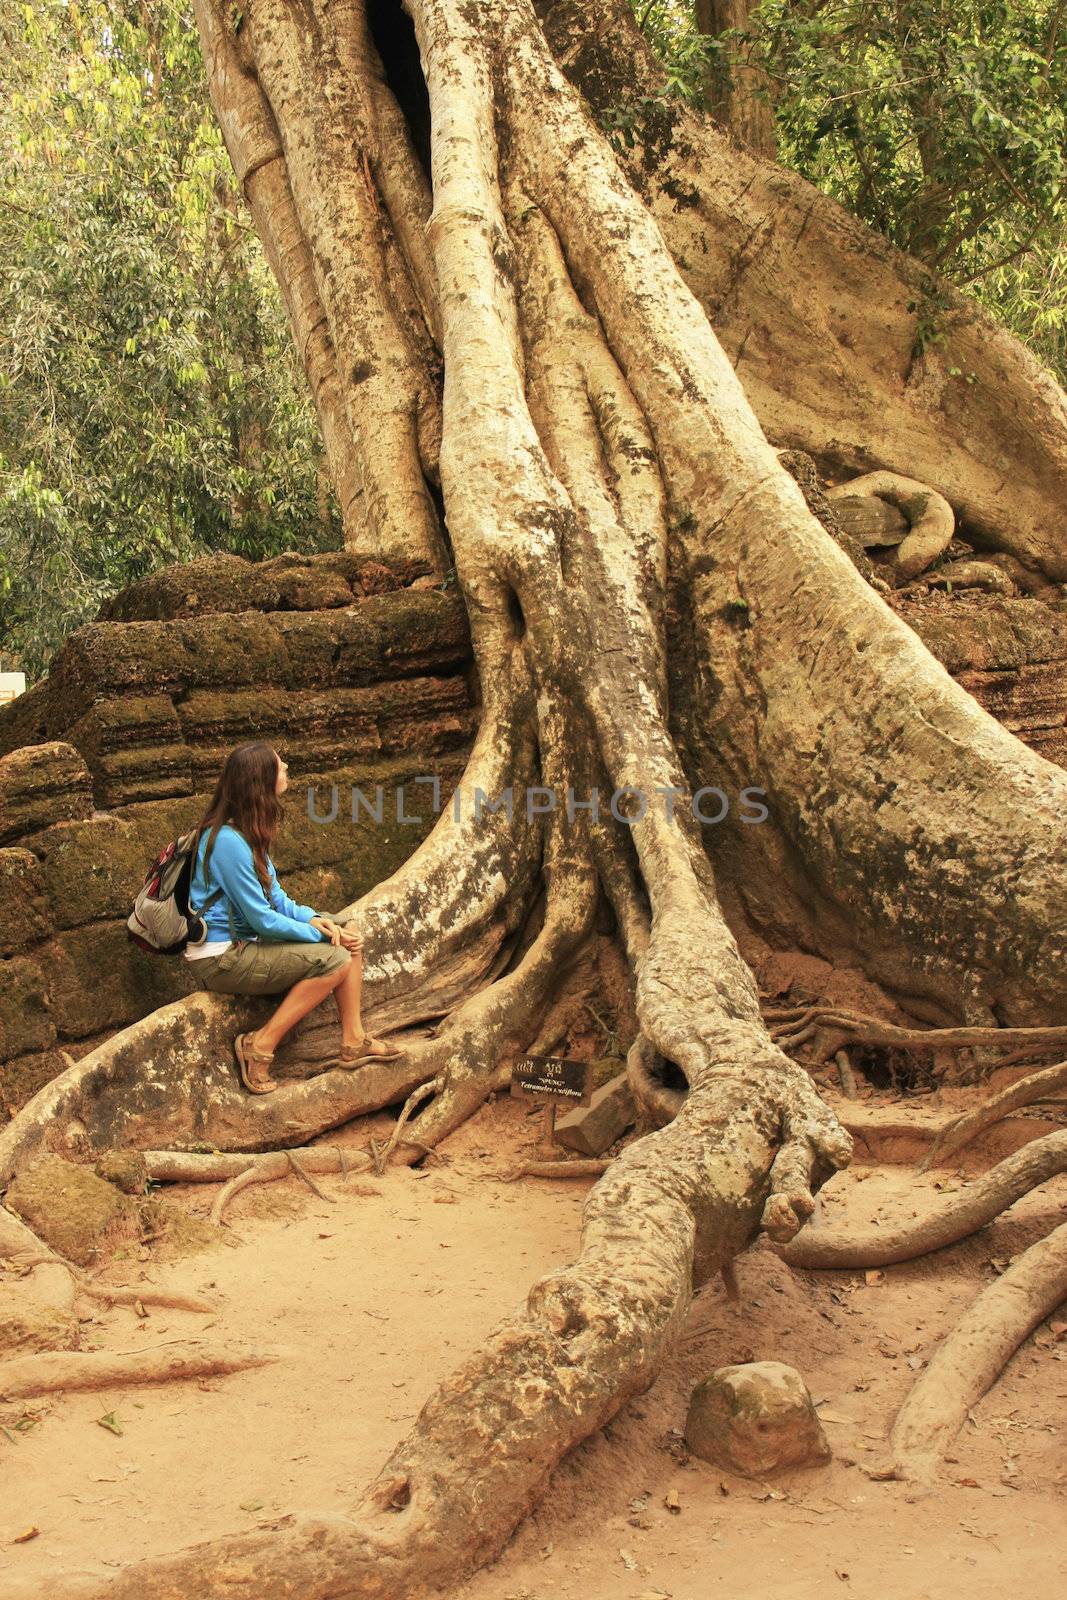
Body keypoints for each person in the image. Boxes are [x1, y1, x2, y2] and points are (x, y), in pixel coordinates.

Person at [185, 741, 401, 1094]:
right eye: (279, 764)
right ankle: (259, 1046)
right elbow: (261, 920)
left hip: (246, 944)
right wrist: (322, 937)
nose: (285, 767)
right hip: (221, 957)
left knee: (347, 928)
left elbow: (278, 900)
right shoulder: (226, 842)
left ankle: (354, 1040)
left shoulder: (246, 829)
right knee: (335, 958)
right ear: (261, 780)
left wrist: (315, 920)